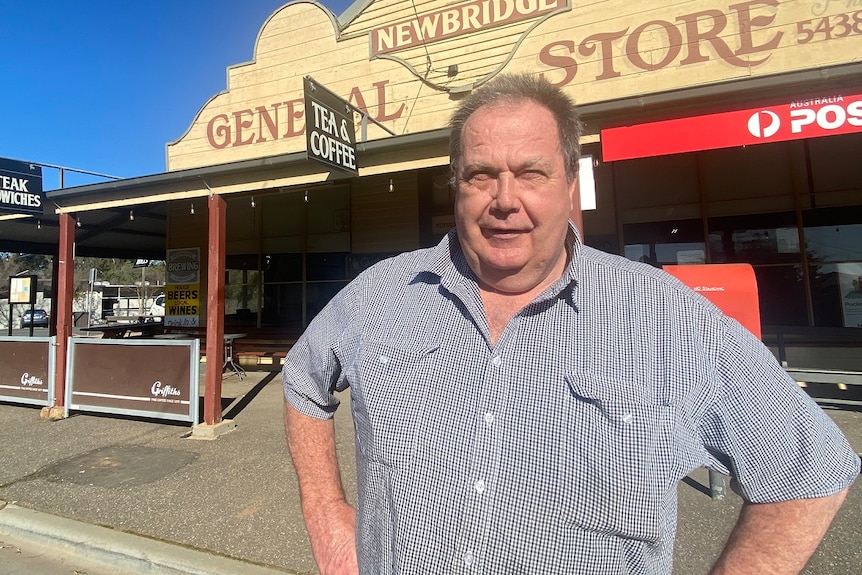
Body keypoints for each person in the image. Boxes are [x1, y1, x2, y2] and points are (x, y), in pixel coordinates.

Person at [283, 73, 860, 574]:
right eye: (481, 175)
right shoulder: (383, 293)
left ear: (569, 183)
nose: (504, 200)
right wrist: (330, 519)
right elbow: (304, 379)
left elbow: (812, 473)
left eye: (531, 173)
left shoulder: (662, 316)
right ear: (455, 185)